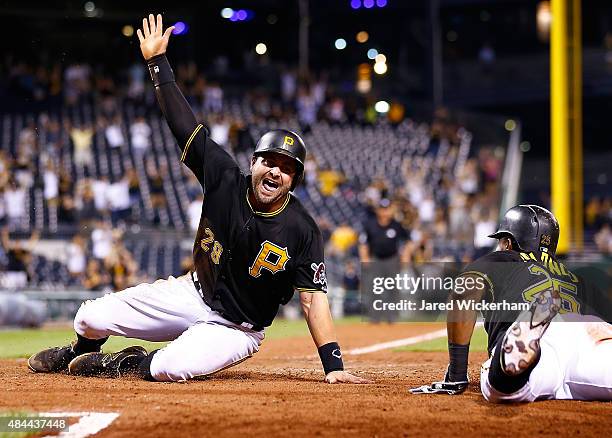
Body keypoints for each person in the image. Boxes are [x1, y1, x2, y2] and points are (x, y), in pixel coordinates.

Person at [28, 14, 368, 385]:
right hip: (192, 293)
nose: (275, 172)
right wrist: (158, 64)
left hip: (236, 329)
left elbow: (312, 299)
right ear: (252, 162)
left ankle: (122, 364)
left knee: (168, 367)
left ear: (295, 179)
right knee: (88, 317)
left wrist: (334, 366)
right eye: (269, 161)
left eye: (286, 168)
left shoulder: (302, 229)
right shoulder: (223, 176)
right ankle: (77, 352)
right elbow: (184, 126)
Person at [410, 205, 612, 402]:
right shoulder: (575, 278)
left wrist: (456, 374)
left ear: (508, 242)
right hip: (586, 335)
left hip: (541, 339)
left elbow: (463, 291)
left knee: (504, 388)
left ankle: (515, 349)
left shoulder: (502, 259)